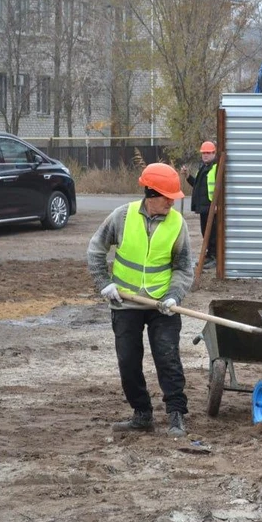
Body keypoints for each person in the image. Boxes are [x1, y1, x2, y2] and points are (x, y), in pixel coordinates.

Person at [87, 163, 194, 438]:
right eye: (166, 196)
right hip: (126, 303)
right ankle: (142, 414)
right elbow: (95, 249)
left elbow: (183, 268)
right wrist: (104, 283)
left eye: (173, 197)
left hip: (162, 305)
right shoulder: (121, 217)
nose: (171, 202)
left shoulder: (177, 223)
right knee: (128, 361)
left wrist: (174, 296)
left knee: (168, 358)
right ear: (150, 193)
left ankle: (176, 415)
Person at [180, 141, 218, 268]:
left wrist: (217, 204)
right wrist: (188, 176)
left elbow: (220, 188)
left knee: (212, 234)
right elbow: (197, 185)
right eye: (203, 153)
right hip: (203, 208)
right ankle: (209, 255)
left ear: (214, 153)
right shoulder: (203, 167)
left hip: (211, 207)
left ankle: (214, 257)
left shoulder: (215, 167)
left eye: (208, 153)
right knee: (205, 233)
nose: (205, 155)